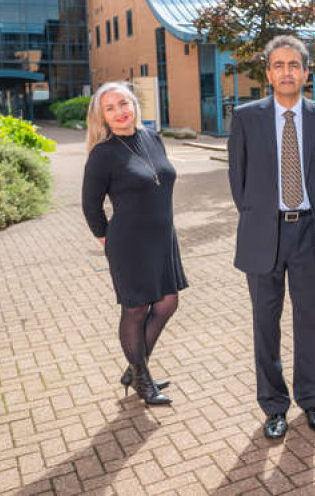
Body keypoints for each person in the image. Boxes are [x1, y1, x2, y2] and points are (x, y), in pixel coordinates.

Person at [227, 35, 315, 439]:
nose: (286, 72)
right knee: (266, 323)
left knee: (310, 320)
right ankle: (274, 406)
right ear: (268, 73)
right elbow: (237, 182)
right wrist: (263, 215)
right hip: (263, 233)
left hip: (310, 233)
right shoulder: (245, 118)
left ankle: (312, 400)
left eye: (294, 64)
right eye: (278, 65)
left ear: (306, 72)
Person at [82, 82, 187, 406]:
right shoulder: (103, 154)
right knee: (137, 308)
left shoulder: (152, 138)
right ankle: (142, 379)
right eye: (110, 108)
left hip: (162, 238)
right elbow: (90, 205)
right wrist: (107, 238)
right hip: (130, 243)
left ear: (134, 105)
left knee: (168, 303)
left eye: (123, 103)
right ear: (102, 117)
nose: (120, 112)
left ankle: (135, 367)